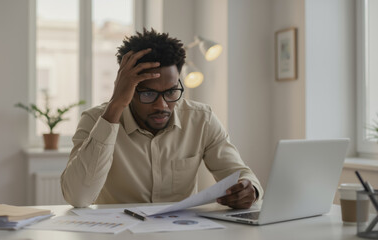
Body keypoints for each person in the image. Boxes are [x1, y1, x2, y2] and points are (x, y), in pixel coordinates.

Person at [61, 29, 263, 209]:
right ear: (128, 87)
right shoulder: (96, 120)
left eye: (171, 92)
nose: (162, 106)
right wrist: (115, 106)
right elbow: (78, 197)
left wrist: (249, 189)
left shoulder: (202, 119)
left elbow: (239, 173)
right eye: (148, 94)